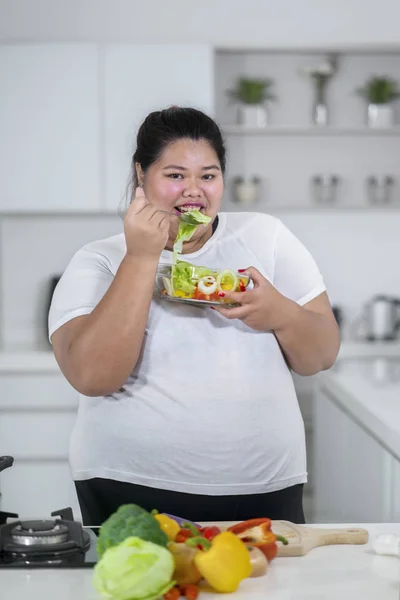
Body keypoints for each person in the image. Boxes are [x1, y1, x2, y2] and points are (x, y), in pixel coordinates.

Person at [49, 106, 340, 527]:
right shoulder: (99, 259)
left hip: (265, 487)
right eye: (174, 175)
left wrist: (278, 312)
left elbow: (321, 356)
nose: (194, 191)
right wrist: (143, 255)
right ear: (140, 176)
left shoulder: (266, 236)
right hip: (128, 486)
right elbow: (93, 377)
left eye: (207, 175)